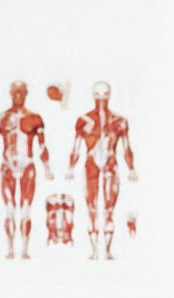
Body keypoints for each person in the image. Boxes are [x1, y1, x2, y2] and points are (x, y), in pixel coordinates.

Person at [0, 80, 55, 259]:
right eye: (15, 91)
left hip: (27, 166)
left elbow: (42, 146)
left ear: (26, 93)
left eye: (21, 92)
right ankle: (9, 249)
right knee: (9, 208)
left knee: (25, 209)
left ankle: (24, 249)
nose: (18, 95)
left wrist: (47, 168)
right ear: (10, 93)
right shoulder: (1, 118)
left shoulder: (35, 118)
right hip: (7, 166)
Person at [66, 81, 138, 260]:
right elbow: (76, 147)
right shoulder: (84, 121)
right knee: (91, 207)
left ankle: (107, 250)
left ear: (109, 95)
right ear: (93, 95)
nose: (101, 98)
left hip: (111, 165)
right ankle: (93, 250)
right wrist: (70, 168)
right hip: (91, 164)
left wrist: (131, 169)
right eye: (97, 94)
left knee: (108, 209)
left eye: (104, 94)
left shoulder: (119, 121)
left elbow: (126, 147)